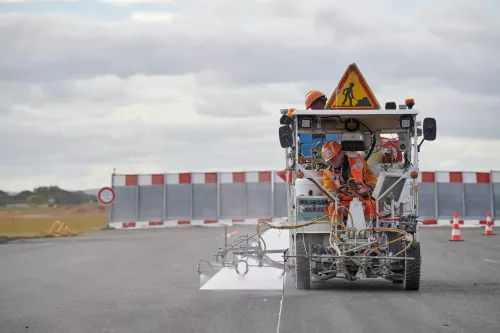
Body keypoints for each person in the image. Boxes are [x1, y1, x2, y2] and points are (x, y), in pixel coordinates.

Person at [321, 140, 378, 221]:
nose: (331, 161)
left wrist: (368, 188)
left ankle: (370, 228)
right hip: (343, 201)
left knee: (373, 205)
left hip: (361, 198)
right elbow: (328, 189)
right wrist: (336, 196)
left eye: (333, 158)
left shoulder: (359, 162)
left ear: (341, 153)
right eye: (329, 160)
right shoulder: (327, 173)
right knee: (333, 207)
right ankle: (338, 230)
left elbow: (371, 178)